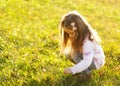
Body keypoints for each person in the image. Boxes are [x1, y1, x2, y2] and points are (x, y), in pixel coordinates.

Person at [59, 10, 105, 78]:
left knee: (74, 54)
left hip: (96, 62)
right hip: (90, 58)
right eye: (67, 33)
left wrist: (73, 70)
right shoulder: (79, 35)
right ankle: (82, 70)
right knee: (68, 53)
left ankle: (86, 73)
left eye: (71, 33)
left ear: (79, 29)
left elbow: (87, 61)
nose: (69, 35)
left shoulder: (87, 42)